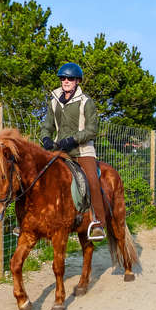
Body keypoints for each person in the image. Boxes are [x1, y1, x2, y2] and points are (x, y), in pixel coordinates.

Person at [39, 62, 106, 240]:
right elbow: (47, 126)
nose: (66, 81)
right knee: (41, 176)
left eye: (70, 78)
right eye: (63, 78)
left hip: (82, 150)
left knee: (92, 181)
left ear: (77, 81)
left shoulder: (86, 102)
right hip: (60, 150)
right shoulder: (54, 100)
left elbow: (92, 130)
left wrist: (73, 139)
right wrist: (46, 138)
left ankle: (98, 223)